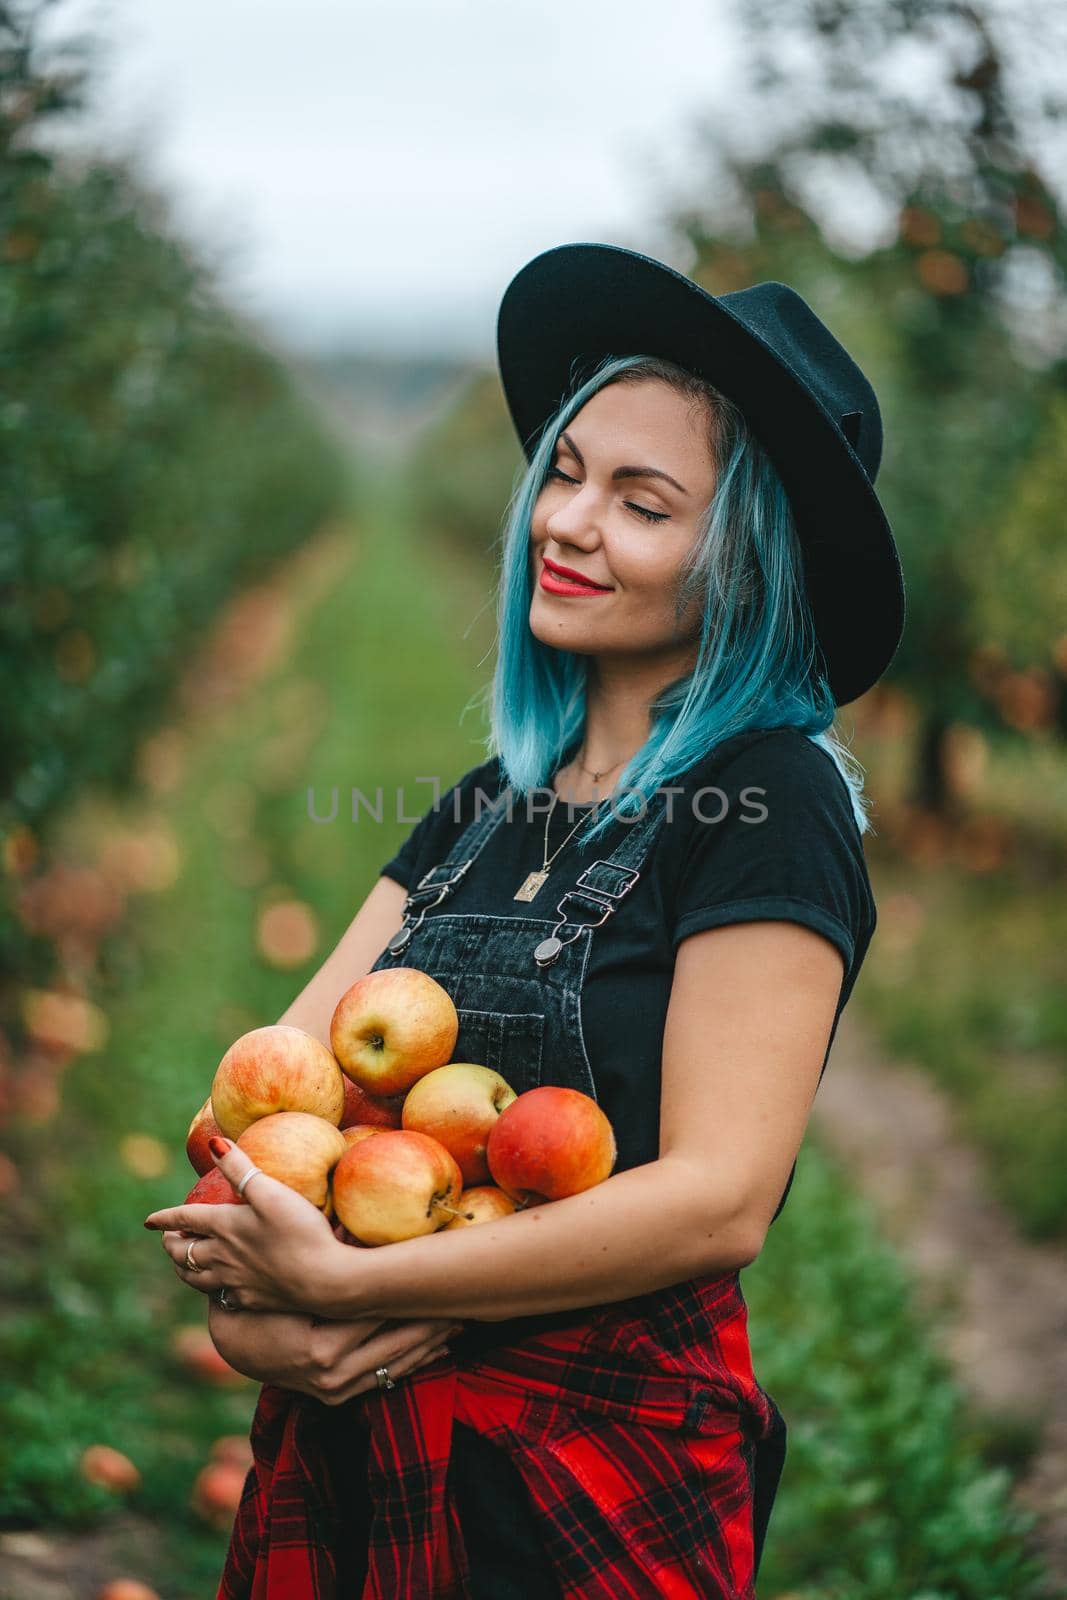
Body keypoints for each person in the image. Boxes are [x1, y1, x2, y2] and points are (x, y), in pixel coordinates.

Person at [145, 241, 905, 1599]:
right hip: (356, 1455)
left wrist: (358, 1293)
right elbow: (263, 1101)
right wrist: (263, 1327)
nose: (566, 522)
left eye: (643, 502)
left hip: (588, 1473)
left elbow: (720, 1200)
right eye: (565, 471)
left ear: (746, 559)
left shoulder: (768, 799)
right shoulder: (491, 804)